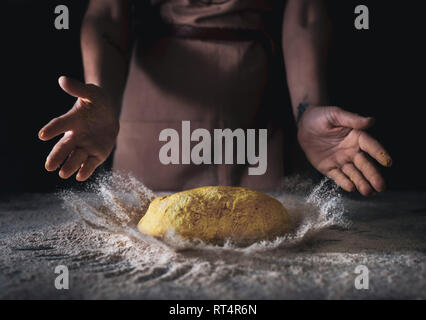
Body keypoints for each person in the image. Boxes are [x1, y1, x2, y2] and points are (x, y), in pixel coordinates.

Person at [39, 0, 392, 196]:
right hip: (155, 104)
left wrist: (307, 110)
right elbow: (107, 14)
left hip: (257, 104)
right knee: (148, 245)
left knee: (266, 251)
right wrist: (102, 96)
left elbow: (304, 15)